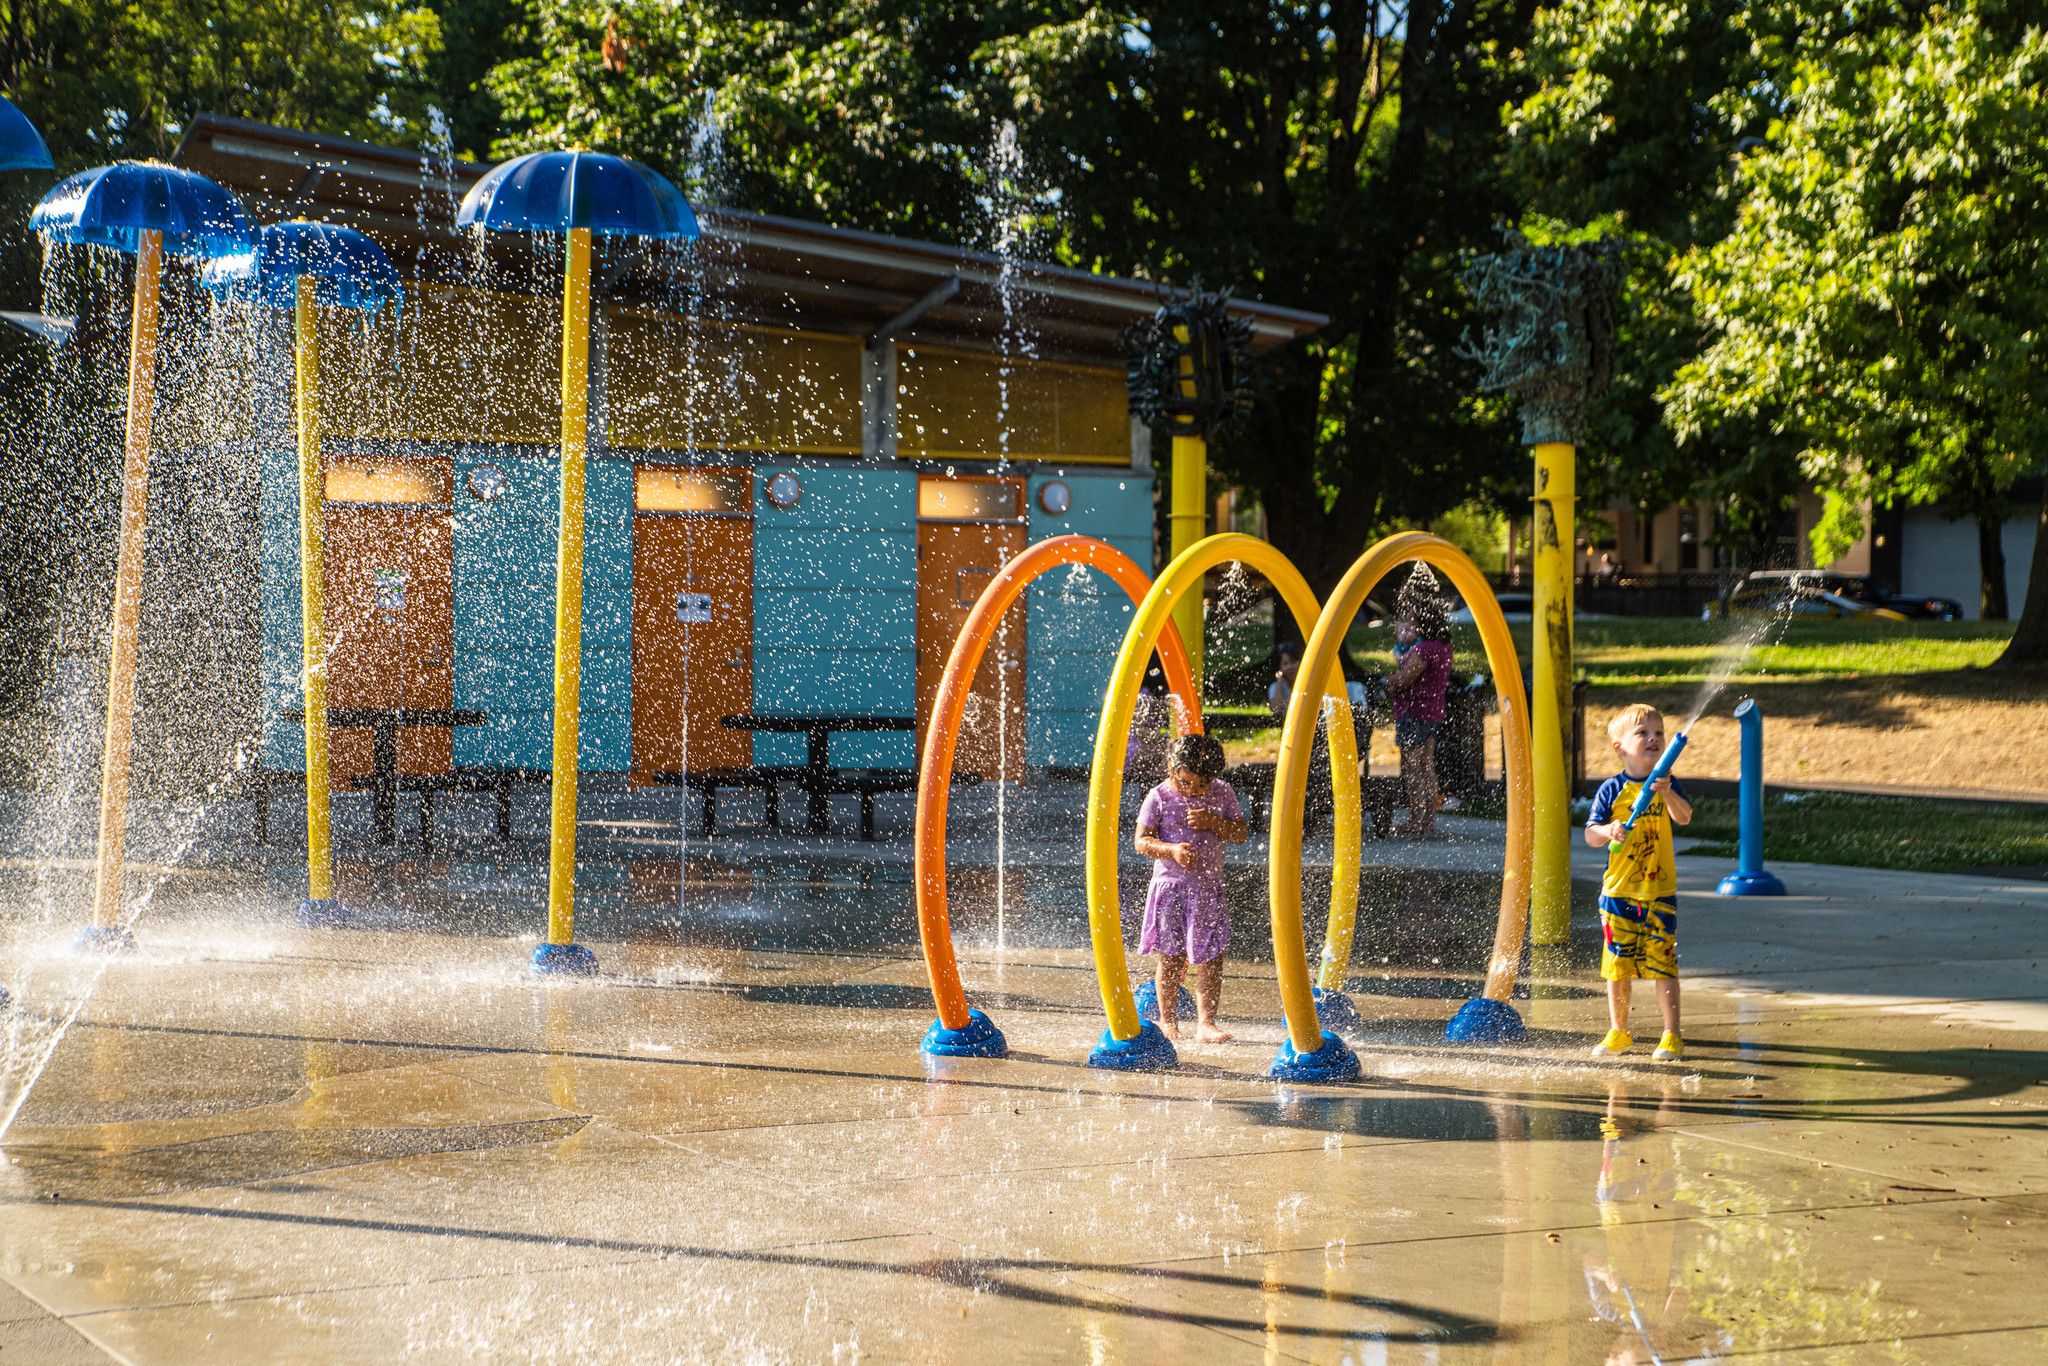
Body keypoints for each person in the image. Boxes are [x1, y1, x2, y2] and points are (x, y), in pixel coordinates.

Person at [1584, 703, 1694, 1061]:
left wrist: (1666, 792)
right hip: (1619, 894)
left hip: (1659, 892)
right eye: (1643, 733)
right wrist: (1608, 829)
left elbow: (1685, 817)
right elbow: (1591, 835)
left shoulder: (1668, 782)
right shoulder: (1612, 789)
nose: (1653, 739)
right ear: (1620, 747)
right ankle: (1619, 1031)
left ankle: (1671, 1035)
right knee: (1617, 967)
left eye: (1659, 733)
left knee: (1664, 963)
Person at [1133, 733, 1248, 1043]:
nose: (1194, 791)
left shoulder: (1222, 793)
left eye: (1202, 785)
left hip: (1208, 890)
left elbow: (1239, 833)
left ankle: (1206, 1023)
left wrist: (1213, 821)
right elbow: (1140, 842)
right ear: (1172, 768)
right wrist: (1171, 850)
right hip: (1170, 889)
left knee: (1211, 957)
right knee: (1171, 958)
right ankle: (1168, 1021)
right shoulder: (1158, 796)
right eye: (1186, 783)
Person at [1387, 580, 1453, 837]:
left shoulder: (1424, 649)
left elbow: (1404, 680)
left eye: (1414, 621)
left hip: (1414, 712)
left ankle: (1416, 821)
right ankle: (1428, 821)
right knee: (1427, 766)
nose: (1411, 626)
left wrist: (1389, 684)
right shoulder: (1444, 646)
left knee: (1413, 768)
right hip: (1433, 710)